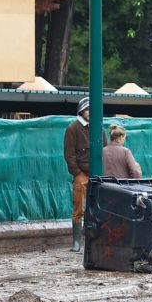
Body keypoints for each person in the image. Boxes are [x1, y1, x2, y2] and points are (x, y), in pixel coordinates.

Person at [63, 98, 91, 252]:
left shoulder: (97, 127)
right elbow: (69, 154)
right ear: (81, 111)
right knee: (78, 207)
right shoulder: (72, 128)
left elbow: (104, 150)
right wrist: (77, 172)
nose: (90, 112)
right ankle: (76, 242)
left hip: (95, 174)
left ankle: (91, 240)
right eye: (87, 109)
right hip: (80, 174)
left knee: (96, 207)